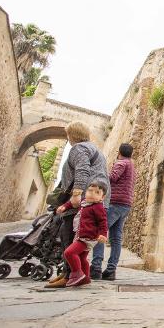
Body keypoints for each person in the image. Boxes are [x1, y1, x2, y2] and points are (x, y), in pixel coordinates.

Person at [45, 121, 110, 289]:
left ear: (72, 135)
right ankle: (74, 273)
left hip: (82, 199)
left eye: (68, 135)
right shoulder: (95, 149)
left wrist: (76, 194)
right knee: (77, 241)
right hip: (94, 199)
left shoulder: (79, 148)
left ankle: (69, 275)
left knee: (69, 237)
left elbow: (82, 169)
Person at [91, 143, 135, 281]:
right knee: (116, 238)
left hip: (115, 202)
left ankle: (96, 267)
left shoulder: (121, 163)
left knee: (100, 231)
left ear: (119, 152)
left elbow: (112, 178)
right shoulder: (132, 166)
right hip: (126, 204)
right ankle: (111, 270)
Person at [58, 182, 108, 287]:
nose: (92, 194)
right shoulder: (84, 202)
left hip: (87, 237)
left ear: (102, 197)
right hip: (82, 235)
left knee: (69, 253)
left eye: (97, 192)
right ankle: (86, 278)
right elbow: (72, 203)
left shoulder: (98, 207)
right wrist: (64, 206)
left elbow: (103, 222)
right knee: (82, 258)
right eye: (90, 191)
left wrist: (103, 234)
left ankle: (77, 274)